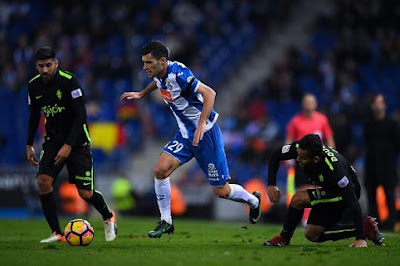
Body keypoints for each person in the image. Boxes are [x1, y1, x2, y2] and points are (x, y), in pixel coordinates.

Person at [120, 40, 261, 238]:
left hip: (207, 135)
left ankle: (253, 201)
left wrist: (202, 123)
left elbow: (210, 93)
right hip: (185, 135)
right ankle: (166, 221)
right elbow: (159, 82)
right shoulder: (160, 73)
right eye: (143, 63)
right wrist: (142, 94)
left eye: (148, 63)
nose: (145, 67)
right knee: (160, 170)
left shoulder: (179, 74)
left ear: (162, 61)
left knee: (221, 191)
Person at [26, 46, 117, 243]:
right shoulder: (33, 86)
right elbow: (34, 116)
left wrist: (68, 145)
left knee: (85, 193)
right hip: (52, 141)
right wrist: (29, 144)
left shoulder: (69, 82)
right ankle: (56, 233)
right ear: (36, 66)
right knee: (43, 181)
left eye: (48, 65)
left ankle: (108, 216)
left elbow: (81, 116)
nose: (45, 70)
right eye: (41, 66)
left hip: (77, 141)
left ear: (56, 64)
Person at [263, 134, 383, 247]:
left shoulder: (334, 170)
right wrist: (271, 184)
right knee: (312, 234)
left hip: (344, 192)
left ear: (315, 159)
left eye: (302, 157)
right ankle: (365, 227)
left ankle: (284, 238)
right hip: (329, 189)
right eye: (297, 154)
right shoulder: (302, 148)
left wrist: (360, 238)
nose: (297, 159)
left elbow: (352, 201)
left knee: (298, 199)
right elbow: (276, 155)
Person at [285, 93, 335, 225]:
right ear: (302, 104)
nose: (309, 105)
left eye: (311, 102)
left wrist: (333, 153)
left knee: (319, 187)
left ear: (315, 104)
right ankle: (304, 218)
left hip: (318, 161)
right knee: (302, 188)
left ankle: (318, 216)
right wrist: (287, 157)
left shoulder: (322, 119)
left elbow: (329, 138)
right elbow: (289, 140)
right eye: (306, 102)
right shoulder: (295, 121)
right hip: (302, 161)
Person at [364, 93, 400, 230]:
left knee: (390, 196)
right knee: (371, 196)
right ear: (372, 105)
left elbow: (397, 145)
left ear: (385, 105)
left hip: (388, 165)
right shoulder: (368, 124)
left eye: (380, 102)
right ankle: (374, 224)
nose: (378, 105)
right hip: (372, 165)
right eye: (375, 103)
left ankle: (391, 223)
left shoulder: (392, 124)